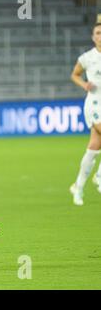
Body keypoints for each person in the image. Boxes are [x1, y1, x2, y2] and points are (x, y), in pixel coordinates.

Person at [70, 22, 101, 205]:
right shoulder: (87, 58)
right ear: (93, 37)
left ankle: (78, 187)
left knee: (93, 147)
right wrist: (84, 85)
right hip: (94, 105)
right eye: (97, 33)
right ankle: (98, 176)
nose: (100, 36)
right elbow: (74, 74)